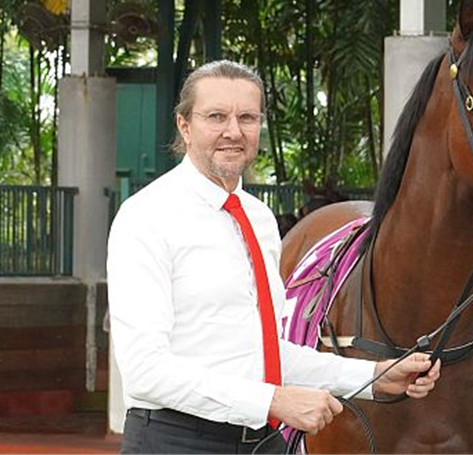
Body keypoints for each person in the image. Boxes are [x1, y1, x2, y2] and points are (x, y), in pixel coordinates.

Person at [106, 60, 441, 455]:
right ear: (185, 126)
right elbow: (145, 372)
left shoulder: (259, 219)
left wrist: (374, 376)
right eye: (216, 116)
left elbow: (266, 354)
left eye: (247, 117)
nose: (234, 131)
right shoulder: (147, 216)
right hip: (175, 442)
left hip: (261, 441)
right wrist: (272, 401)